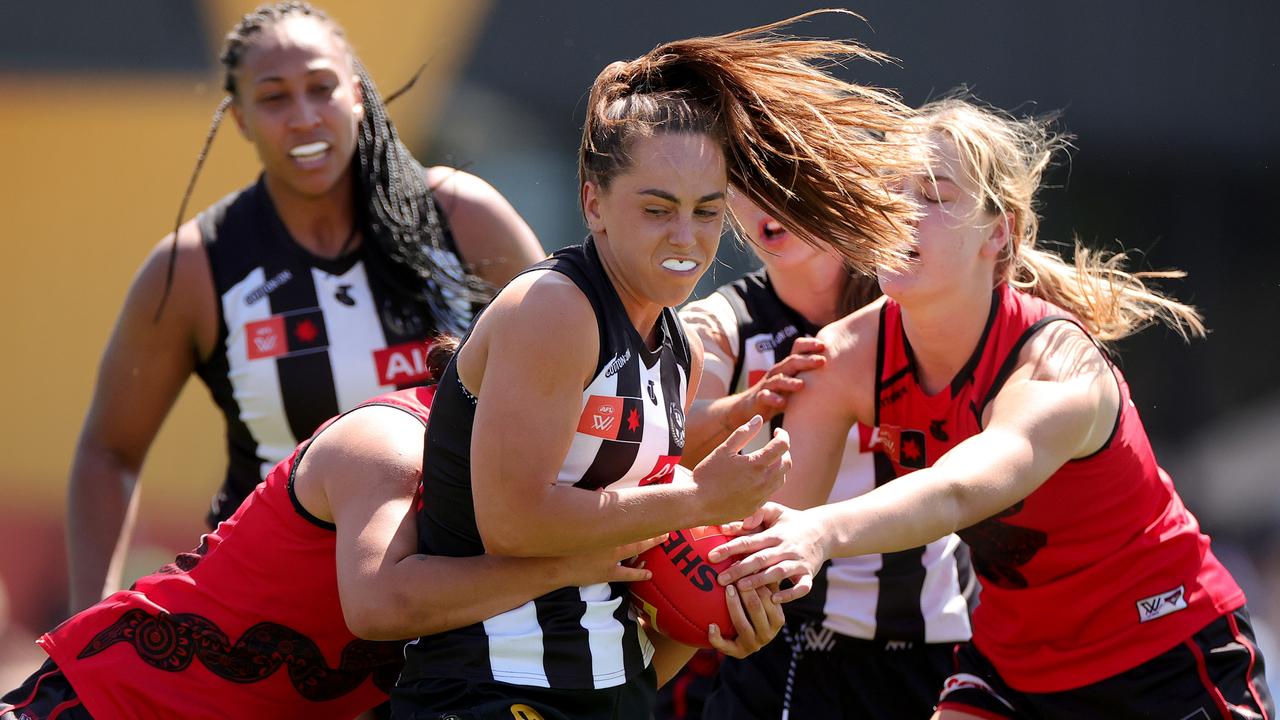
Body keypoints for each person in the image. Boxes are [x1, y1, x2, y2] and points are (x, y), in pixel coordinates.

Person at [393, 12, 922, 720]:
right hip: (491, 692)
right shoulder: (555, 309)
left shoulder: (680, 345)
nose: (686, 237)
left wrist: (714, 614)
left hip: (620, 695)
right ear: (594, 203)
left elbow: (629, 553)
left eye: (706, 212)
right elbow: (513, 524)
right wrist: (702, 501)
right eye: (657, 208)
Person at [711, 96, 1274, 719]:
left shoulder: (1056, 366)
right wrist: (710, 576)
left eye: (935, 195)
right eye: (891, 191)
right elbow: (778, 523)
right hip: (1015, 667)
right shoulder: (844, 359)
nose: (903, 211)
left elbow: (957, 491)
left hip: (1162, 655)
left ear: (998, 230)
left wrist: (820, 533)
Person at [2, 338, 781, 720]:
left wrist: (701, 622)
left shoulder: (544, 499)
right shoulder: (389, 444)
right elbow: (378, 606)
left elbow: (587, 670)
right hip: (117, 704)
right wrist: (584, 558)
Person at [65, 1, 546, 614]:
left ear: (356, 92)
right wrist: (90, 622)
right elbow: (110, 452)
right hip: (274, 619)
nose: (304, 117)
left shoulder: (462, 219)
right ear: (239, 118)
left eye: (322, 88)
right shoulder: (194, 266)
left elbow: (565, 364)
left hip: (449, 603)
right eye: (273, 98)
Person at [669, 195, 971, 720]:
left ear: (835, 177)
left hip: (938, 634)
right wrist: (745, 404)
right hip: (791, 636)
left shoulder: (912, 295)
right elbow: (672, 437)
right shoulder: (723, 320)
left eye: (788, 173)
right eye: (747, 177)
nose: (767, 198)